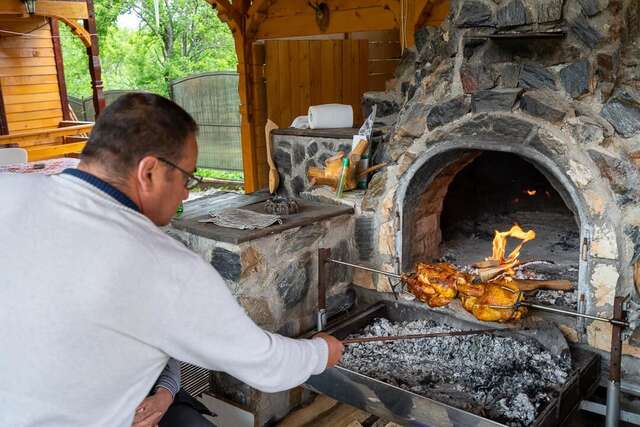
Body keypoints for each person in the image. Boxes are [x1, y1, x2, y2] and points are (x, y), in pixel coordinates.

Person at [0, 93, 343, 427]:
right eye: (186, 177)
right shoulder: (162, 266)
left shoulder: (9, 192)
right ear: (149, 172)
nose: (186, 192)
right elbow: (266, 364)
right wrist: (320, 352)